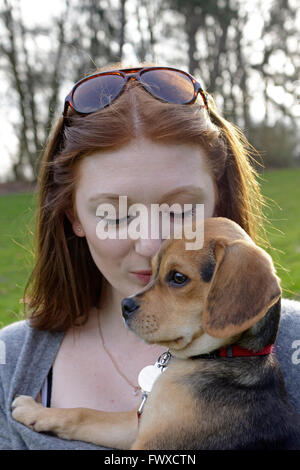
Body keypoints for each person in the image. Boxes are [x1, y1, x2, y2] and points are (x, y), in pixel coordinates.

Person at [0, 63, 299, 450]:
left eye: (179, 211)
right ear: (73, 215)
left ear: (218, 202)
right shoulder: (10, 366)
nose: (152, 243)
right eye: (116, 213)